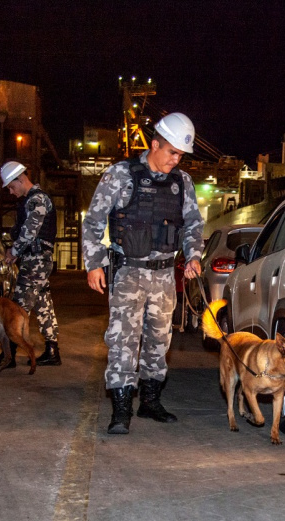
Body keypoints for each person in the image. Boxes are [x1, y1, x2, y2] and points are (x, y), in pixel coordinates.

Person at [83, 113, 204, 434]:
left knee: (159, 342)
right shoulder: (121, 175)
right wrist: (93, 263)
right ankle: (121, 410)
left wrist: (194, 255)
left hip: (165, 276)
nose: (175, 160)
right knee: (123, 342)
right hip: (128, 275)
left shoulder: (182, 183)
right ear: (154, 145)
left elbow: (193, 224)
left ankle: (150, 402)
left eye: (181, 155)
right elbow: (93, 221)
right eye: (171, 153)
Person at [0, 161, 61, 372]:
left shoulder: (37, 199)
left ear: (21, 179)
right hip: (37, 259)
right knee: (43, 304)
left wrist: (13, 252)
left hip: (35, 260)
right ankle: (52, 350)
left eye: (11, 186)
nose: (11, 192)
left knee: (16, 309)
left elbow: (30, 232)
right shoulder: (32, 200)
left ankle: (8, 355)